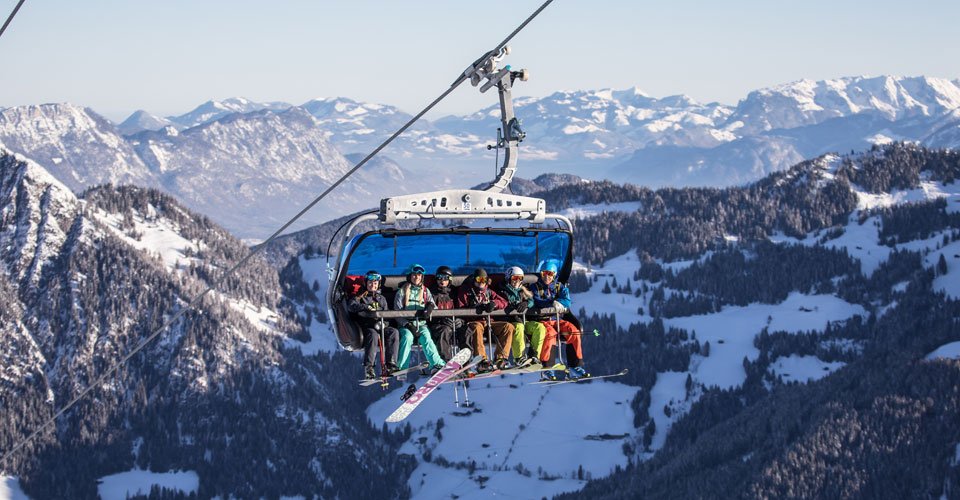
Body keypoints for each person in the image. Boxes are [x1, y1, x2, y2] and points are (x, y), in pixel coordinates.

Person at [531, 261, 588, 380]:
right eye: (544, 273)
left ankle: (575, 366)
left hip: (556, 319)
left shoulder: (559, 286)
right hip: (542, 320)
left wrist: (559, 302)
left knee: (573, 331)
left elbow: (567, 301)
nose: (546, 276)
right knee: (550, 334)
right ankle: (547, 368)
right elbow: (537, 302)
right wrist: (552, 303)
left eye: (549, 274)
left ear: (554, 274)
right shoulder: (535, 287)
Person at [455, 268, 514, 372]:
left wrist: (494, 304)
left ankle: (500, 358)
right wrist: (476, 308)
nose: (481, 282)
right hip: (474, 321)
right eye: (479, 279)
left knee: (508, 327)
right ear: (474, 280)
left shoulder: (488, 292)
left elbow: (504, 302)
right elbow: (460, 308)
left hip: (489, 322)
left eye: (483, 279)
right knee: (476, 328)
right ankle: (482, 361)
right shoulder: (466, 292)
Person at [346, 270, 400, 380]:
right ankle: (369, 367)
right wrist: (365, 307)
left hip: (380, 326)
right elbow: (351, 306)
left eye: (375, 283)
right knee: (373, 335)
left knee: (393, 332)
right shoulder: (360, 296)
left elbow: (387, 314)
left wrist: (384, 324)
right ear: (366, 283)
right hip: (366, 327)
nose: (372, 285)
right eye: (370, 283)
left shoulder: (381, 299)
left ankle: (391, 363)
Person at [394, 264, 446, 372]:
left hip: (421, 324)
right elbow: (397, 312)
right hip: (407, 325)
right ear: (409, 276)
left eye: (419, 275)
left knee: (426, 338)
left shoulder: (425, 291)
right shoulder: (402, 292)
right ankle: (401, 367)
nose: (417, 277)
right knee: (407, 338)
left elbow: (433, 306)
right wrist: (407, 325)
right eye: (414, 275)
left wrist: (430, 307)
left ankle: (437, 364)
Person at [499, 266, 545, 368]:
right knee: (519, 327)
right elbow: (501, 303)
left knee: (540, 327)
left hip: (523, 321)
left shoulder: (522, 291)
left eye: (519, 278)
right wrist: (511, 306)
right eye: (514, 278)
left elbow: (532, 301)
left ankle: (534, 356)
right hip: (511, 322)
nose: (516, 281)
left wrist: (526, 303)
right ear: (508, 278)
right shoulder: (503, 292)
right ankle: (519, 357)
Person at [428, 265, 461, 362]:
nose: (442, 280)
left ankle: (465, 362)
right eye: (439, 277)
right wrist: (442, 320)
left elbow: (461, 307)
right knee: (444, 331)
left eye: (446, 278)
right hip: (437, 325)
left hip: (453, 324)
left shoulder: (454, 294)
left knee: (466, 330)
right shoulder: (432, 294)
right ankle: (445, 360)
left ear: (450, 280)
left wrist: (461, 320)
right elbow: (430, 311)